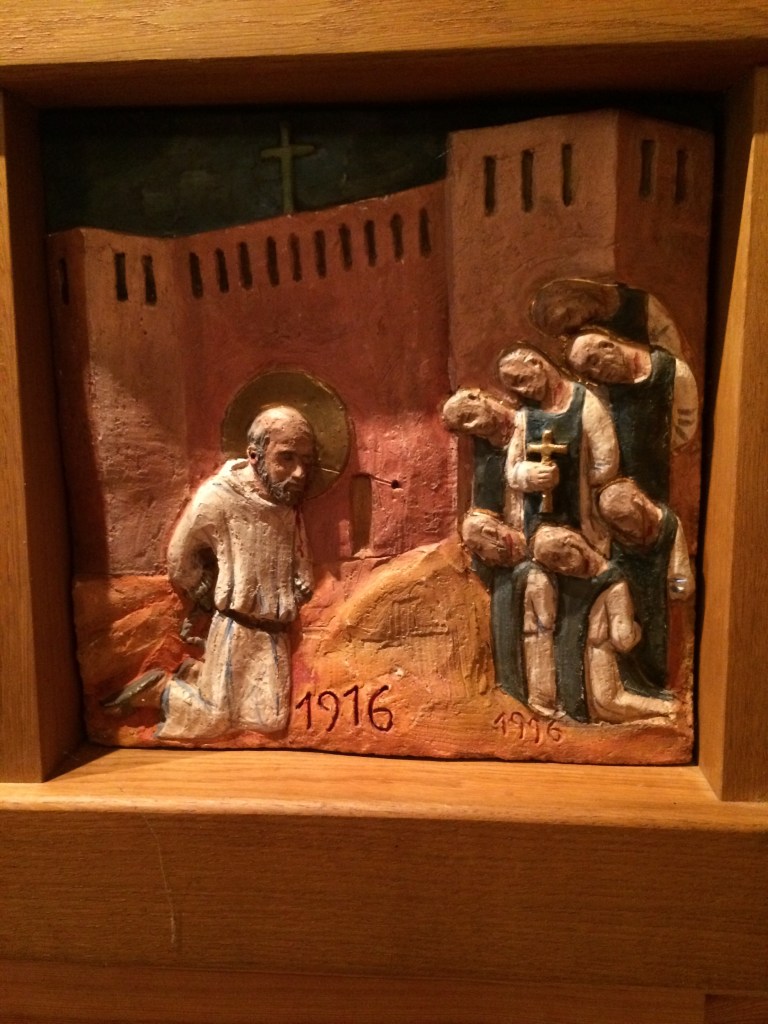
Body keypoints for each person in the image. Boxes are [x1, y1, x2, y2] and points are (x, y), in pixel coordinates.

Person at [104, 405, 317, 742]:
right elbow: (179, 554)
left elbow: (298, 552)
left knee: (270, 720)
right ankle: (160, 690)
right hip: (235, 626)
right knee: (215, 721)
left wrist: (301, 578)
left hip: (274, 632)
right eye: (287, 458)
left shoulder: (286, 503)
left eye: (306, 461)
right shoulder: (219, 498)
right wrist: (200, 587)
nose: (299, 473)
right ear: (254, 456)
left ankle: (196, 676)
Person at [531, 526, 679, 724]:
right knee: (606, 707)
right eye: (555, 566)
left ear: (573, 543)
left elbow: (623, 640)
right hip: (577, 674)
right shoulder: (573, 582)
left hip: (599, 658)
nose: (563, 568)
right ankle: (660, 718)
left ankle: (669, 710)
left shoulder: (614, 584)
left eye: (561, 558)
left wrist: (634, 631)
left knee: (610, 702)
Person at [498, 345, 618, 553]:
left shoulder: (584, 402)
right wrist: (529, 475)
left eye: (521, 380)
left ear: (536, 364)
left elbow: (606, 460)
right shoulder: (525, 416)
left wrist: (579, 478)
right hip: (536, 519)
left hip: (579, 515)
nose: (522, 390)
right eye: (515, 388)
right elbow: (512, 470)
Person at [567, 330, 697, 502]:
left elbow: (686, 426)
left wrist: (657, 446)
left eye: (594, 361)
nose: (597, 372)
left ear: (608, 346)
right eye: (588, 374)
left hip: (663, 474)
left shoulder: (671, 370)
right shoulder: (602, 394)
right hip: (622, 487)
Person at [597, 478, 694, 691]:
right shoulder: (615, 534)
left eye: (626, 519)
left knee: (659, 653)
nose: (624, 529)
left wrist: (675, 594)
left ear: (640, 504)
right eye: (616, 523)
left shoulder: (669, 525)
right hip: (630, 606)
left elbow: (681, 576)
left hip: (661, 605)